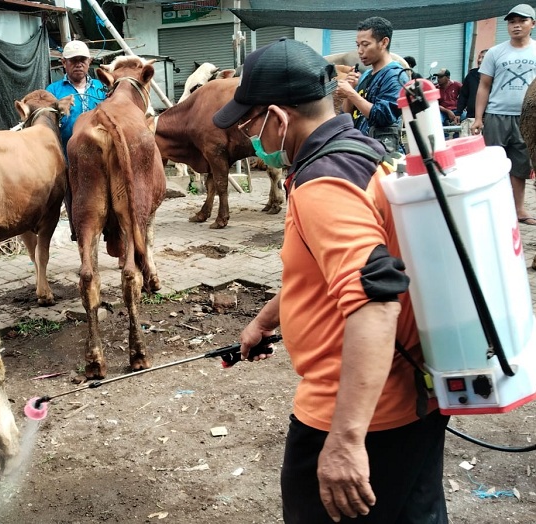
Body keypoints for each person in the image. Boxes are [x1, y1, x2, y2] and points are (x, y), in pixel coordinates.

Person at [213, 37, 448, 524]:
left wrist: (345, 441)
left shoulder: (322, 186)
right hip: (411, 406)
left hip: (357, 418)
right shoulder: (361, 153)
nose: (247, 138)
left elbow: (375, 302)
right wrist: (265, 318)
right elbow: (332, 271)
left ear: (277, 118)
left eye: (249, 123)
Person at [472, 4, 536, 225]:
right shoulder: (495, 52)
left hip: (527, 118)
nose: (516, 25)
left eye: (522, 21)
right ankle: (492, 207)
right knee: (493, 164)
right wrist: (479, 118)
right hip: (496, 115)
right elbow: (484, 86)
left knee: (520, 166)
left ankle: (518, 209)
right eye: (511, 21)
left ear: (532, 24)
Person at [336, 16, 409, 153]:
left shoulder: (395, 76)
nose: (360, 51)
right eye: (358, 45)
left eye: (365, 44)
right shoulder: (365, 76)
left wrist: (351, 93)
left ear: (384, 42)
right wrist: (349, 91)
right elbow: (346, 116)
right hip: (361, 152)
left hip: (382, 156)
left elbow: (383, 117)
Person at [46, 39, 106, 154]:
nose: (78, 64)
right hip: (67, 157)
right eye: (73, 60)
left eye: (82, 60)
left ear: (89, 61)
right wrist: (56, 106)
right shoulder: (53, 91)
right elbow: (46, 124)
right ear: (64, 62)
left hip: (99, 156)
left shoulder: (101, 87)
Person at [457, 49, 488, 137]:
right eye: (479, 57)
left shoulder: (495, 76)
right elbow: (463, 95)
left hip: (489, 118)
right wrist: (458, 112)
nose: (479, 60)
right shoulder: (471, 75)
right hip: (472, 117)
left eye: (483, 58)